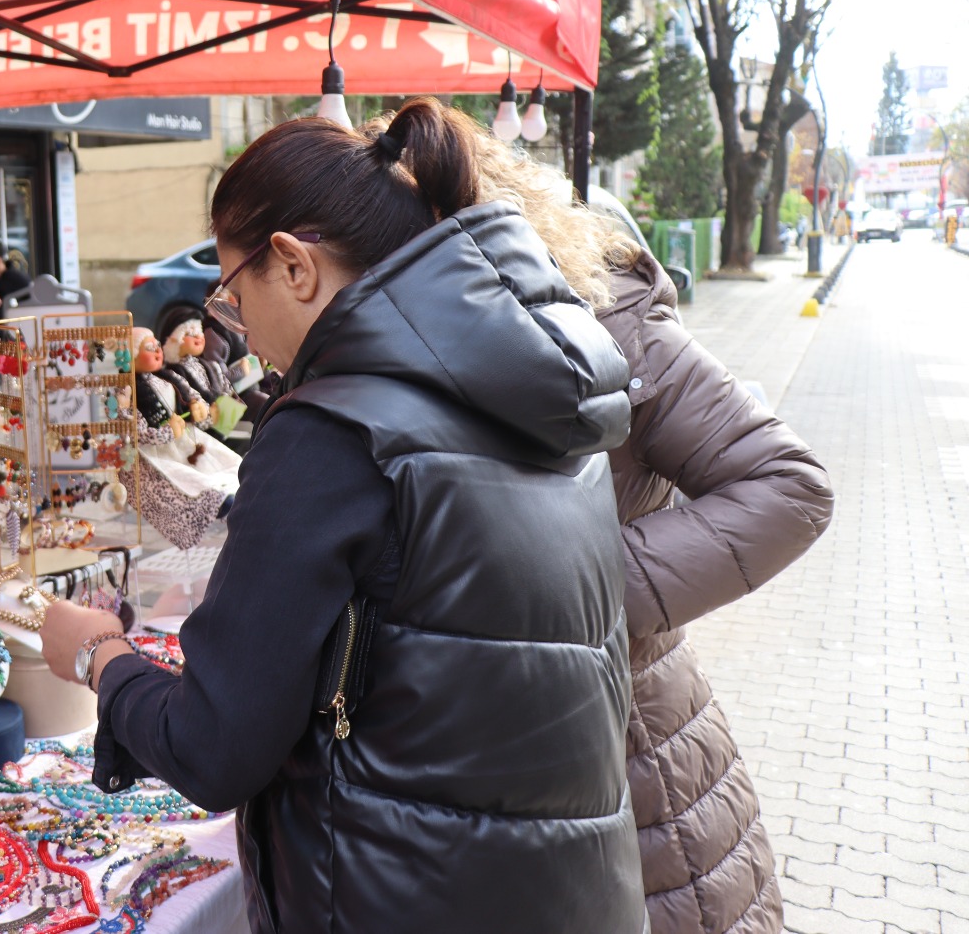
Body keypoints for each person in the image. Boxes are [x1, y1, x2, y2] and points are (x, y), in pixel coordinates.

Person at [41, 98, 647, 933]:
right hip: (573, 894)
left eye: (232, 293)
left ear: (292, 265)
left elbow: (213, 746)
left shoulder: (334, 430)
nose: (239, 331)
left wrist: (100, 658)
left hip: (400, 899)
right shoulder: (552, 400)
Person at [459, 129, 834, 934]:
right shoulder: (433, 348)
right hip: (517, 764)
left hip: (633, 749)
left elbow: (787, 487)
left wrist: (570, 595)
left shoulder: (611, 325)